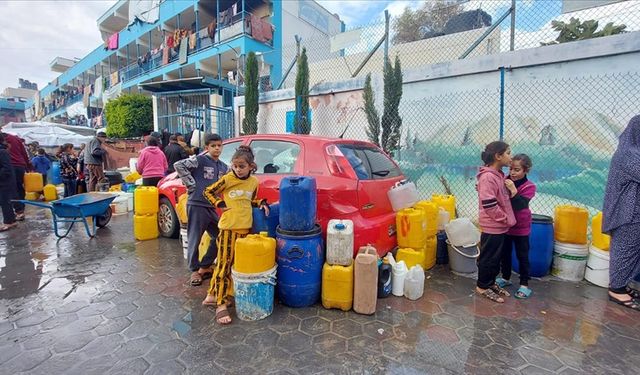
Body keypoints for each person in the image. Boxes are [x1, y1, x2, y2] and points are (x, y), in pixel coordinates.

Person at [202, 145, 269, 325]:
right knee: (224, 265)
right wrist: (219, 203)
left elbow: (249, 201)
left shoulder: (254, 182)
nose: (237, 170)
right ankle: (221, 305)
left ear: (251, 166)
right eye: (235, 166)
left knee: (233, 266)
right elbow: (207, 191)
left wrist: (261, 203)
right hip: (228, 229)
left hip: (244, 230)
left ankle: (211, 295)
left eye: (241, 166)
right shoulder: (227, 179)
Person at [174, 134, 228, 287]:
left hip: (212, 206)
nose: (217, 148)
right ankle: (194, 270)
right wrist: (191, 184)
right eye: (213, 146)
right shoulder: (199, 160)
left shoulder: (223, 167)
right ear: (207, 148)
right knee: (194, 238)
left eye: (219, 145)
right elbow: (179, 165)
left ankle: (205, 265)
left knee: (221, 235)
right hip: (197, 204)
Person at [603, 115, 640, 311]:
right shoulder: (628, 154)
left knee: (634, 251)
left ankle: (622, 285)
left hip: (635, 212)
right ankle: (616, 289)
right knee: (625, 250)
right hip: (627, 213)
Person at [475, 141, 516, 303]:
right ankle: (482, 286)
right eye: (508, 153)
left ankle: (490, 283)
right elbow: (489, 204)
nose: (510, 157)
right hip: (493, 225)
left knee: (495, 257)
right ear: (498, 156)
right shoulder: (488, 177)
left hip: (500, 226)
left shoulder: (498, 176)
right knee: (488, 257)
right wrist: (504, 219)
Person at [496, 154, 536, 299]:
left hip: (521, 227)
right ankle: (505, 278)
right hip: (506, 226)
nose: (512, 173)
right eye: (511, 169)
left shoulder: (529, 186)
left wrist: (513, 190)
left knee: (522, 255)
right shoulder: (505, 180)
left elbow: (520, 204)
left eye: (517, 170)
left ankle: (524, 284)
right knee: (504, 254)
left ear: (526, 170)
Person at [1, 130, 31, 221]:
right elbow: (24, 153)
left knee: (11, 189)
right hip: (20, 166)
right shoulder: (15, 138)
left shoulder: (6, 142)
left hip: (9, 166)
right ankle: (20, 210)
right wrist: (28, 166)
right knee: (19, 188)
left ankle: (18, 211)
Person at [0, 133, 18, 232]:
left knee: (5, 201)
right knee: (4, 201)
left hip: (5, 182)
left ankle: (9, 222)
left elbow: (6, 168)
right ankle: (11, 220)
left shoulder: (2, 152)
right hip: (4, 181)